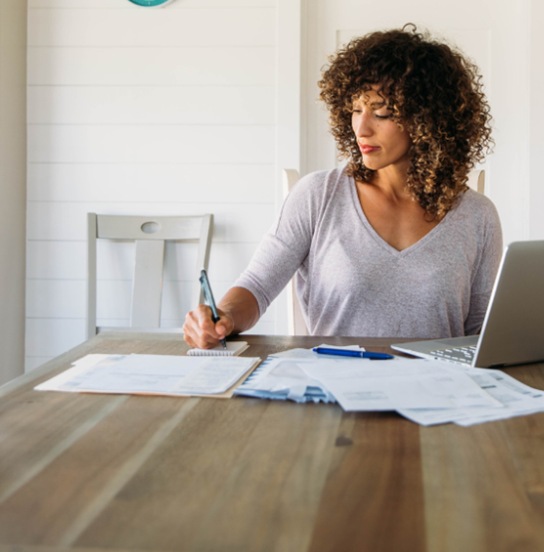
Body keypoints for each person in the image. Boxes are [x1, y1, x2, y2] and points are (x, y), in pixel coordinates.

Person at [183, 25, 502, 349]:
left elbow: (481, 333)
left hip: (439, 392)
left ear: (428, 119)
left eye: (382, 113)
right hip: (335, 389)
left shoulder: (477, 215)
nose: (361, 128)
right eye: (355, 110)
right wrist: (223, 317)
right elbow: (257, 286)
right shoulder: (318, 195)